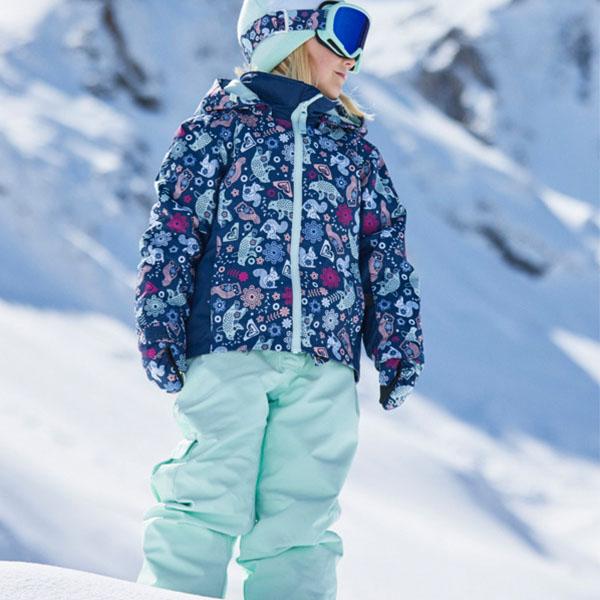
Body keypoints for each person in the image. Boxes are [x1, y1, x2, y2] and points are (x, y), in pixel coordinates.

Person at [134, 1, 425, 598]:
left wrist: (397, 341)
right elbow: (176, 229)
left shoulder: (355, 152)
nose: (353, 57)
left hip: (324, 362)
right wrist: (160, 322)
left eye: (361, 38)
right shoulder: (218, 128)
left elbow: (384, 253)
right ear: (285, 33)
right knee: (205, 497)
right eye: (343, 33)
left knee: (302, 522)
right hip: (229, 347)